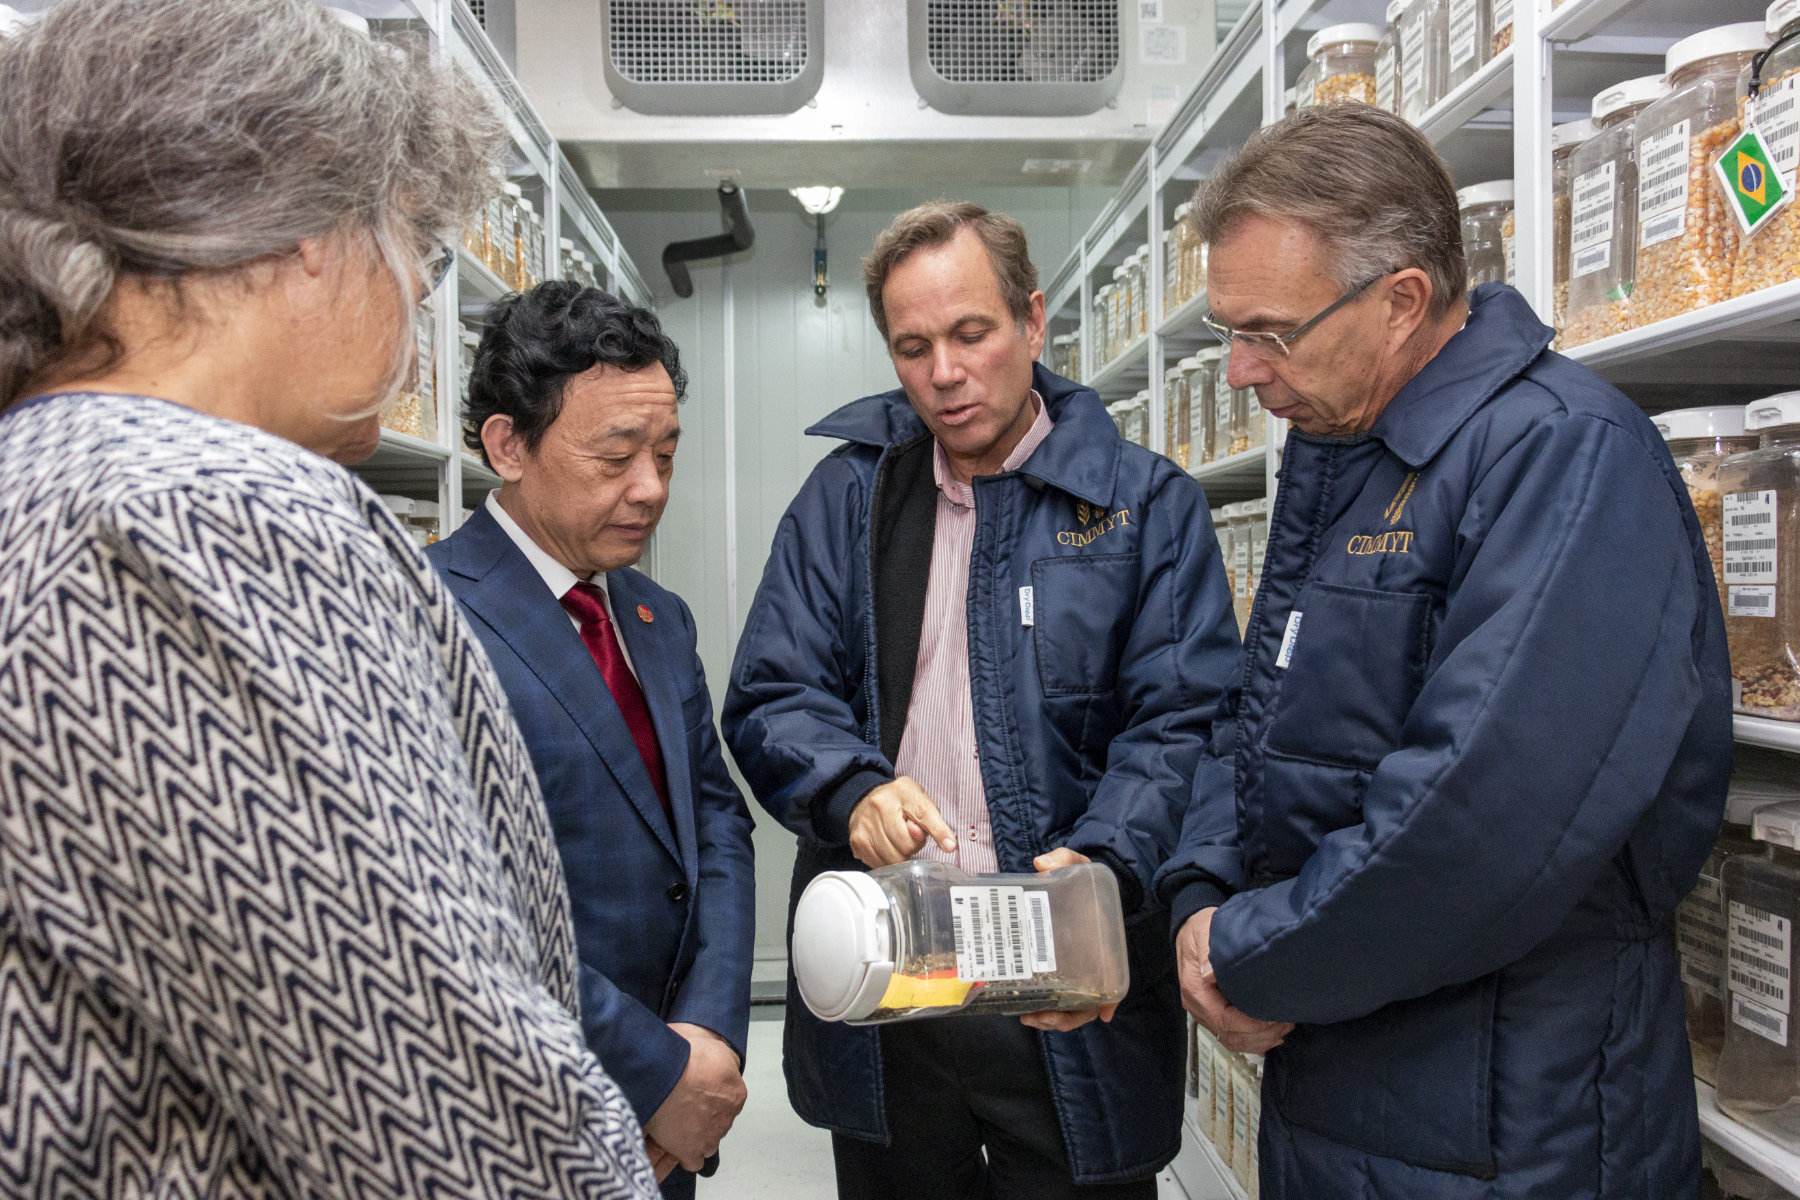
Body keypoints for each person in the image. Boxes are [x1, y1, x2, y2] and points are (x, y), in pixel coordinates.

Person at [0, 2, 657, 1197]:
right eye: (415, 244)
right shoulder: (208, 516)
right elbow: (462, 1123)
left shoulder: (53, 473)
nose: (414, 297)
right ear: (309, 231)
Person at [1153, 105, 1732, 1198]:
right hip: (1346, 1072)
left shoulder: (1565, 457)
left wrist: (1250, 949)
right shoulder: (1347, 452)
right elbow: (1251, 721)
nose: (1238, 371)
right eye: (1225, 332)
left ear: (1403, 300)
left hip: (1513, 1118)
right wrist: (1198, 897)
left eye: (1267, 332)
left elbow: (1479, 814)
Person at [723, 201, 1240, 1199]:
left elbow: (1183, 723)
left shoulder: (1143, 506)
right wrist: (850, 787)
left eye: (971, 334)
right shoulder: (850, 498)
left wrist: (1098, 871)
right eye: (912, 347)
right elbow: (772, 687)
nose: (945, 373)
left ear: (1033, 321)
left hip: (1065, 989)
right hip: (895, 981)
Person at [427, 282, 755, 1198]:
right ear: (508, 446)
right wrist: (653, 1069)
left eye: (665, 452)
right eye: (615, 456)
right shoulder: (425, 615)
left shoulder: (654, 614)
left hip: (678, 1108)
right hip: (516, 1110)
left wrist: (711, 1040)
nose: (649, 488)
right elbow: (452, 908)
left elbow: (717, 826)